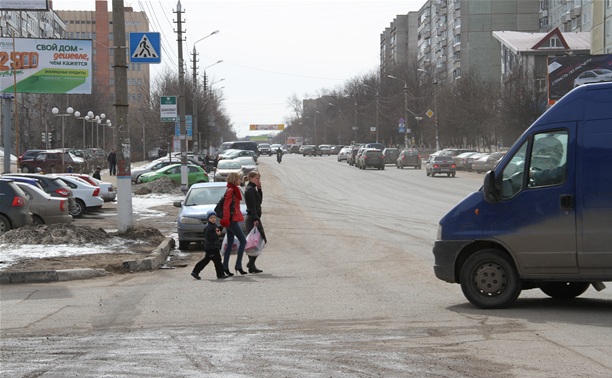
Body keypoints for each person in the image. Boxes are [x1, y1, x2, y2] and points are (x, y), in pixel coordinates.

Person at [220, 172, 248, 276]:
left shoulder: (233, 189)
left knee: (230, 243)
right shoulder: (231, 190)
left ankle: (225, 266)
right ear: (234, 179)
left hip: (232, 219)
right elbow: (226, 206)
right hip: (231, 220)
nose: (240, 180)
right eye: (239, 179)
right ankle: (238, 265)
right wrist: (226, 220)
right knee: (243, 241)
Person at [191, 211, 228, 280]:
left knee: (208, 260)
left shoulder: (213, 226)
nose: (213, 219)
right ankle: (220, 274)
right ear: (208, 218)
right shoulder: (208, 227)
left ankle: (195, 272)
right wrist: (216, 234)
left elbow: (216, 231)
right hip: (211, 247)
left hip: (213, 247)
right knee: (216, 260)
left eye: (214, 217)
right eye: (211, 218)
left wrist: (220, 228)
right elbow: (209, 237)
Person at [244, 171, 267, 273]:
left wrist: (260, 190)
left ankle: (251, 264)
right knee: (257, 241)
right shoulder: (249, 190)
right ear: (251, 178)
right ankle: (251, 263)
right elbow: (252, 206)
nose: (259, 180)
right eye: (257, 178)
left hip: (255, 217)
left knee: (255, 242)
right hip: (253, 218)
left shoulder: (253, 189)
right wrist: (255, 219)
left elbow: (259, 202)